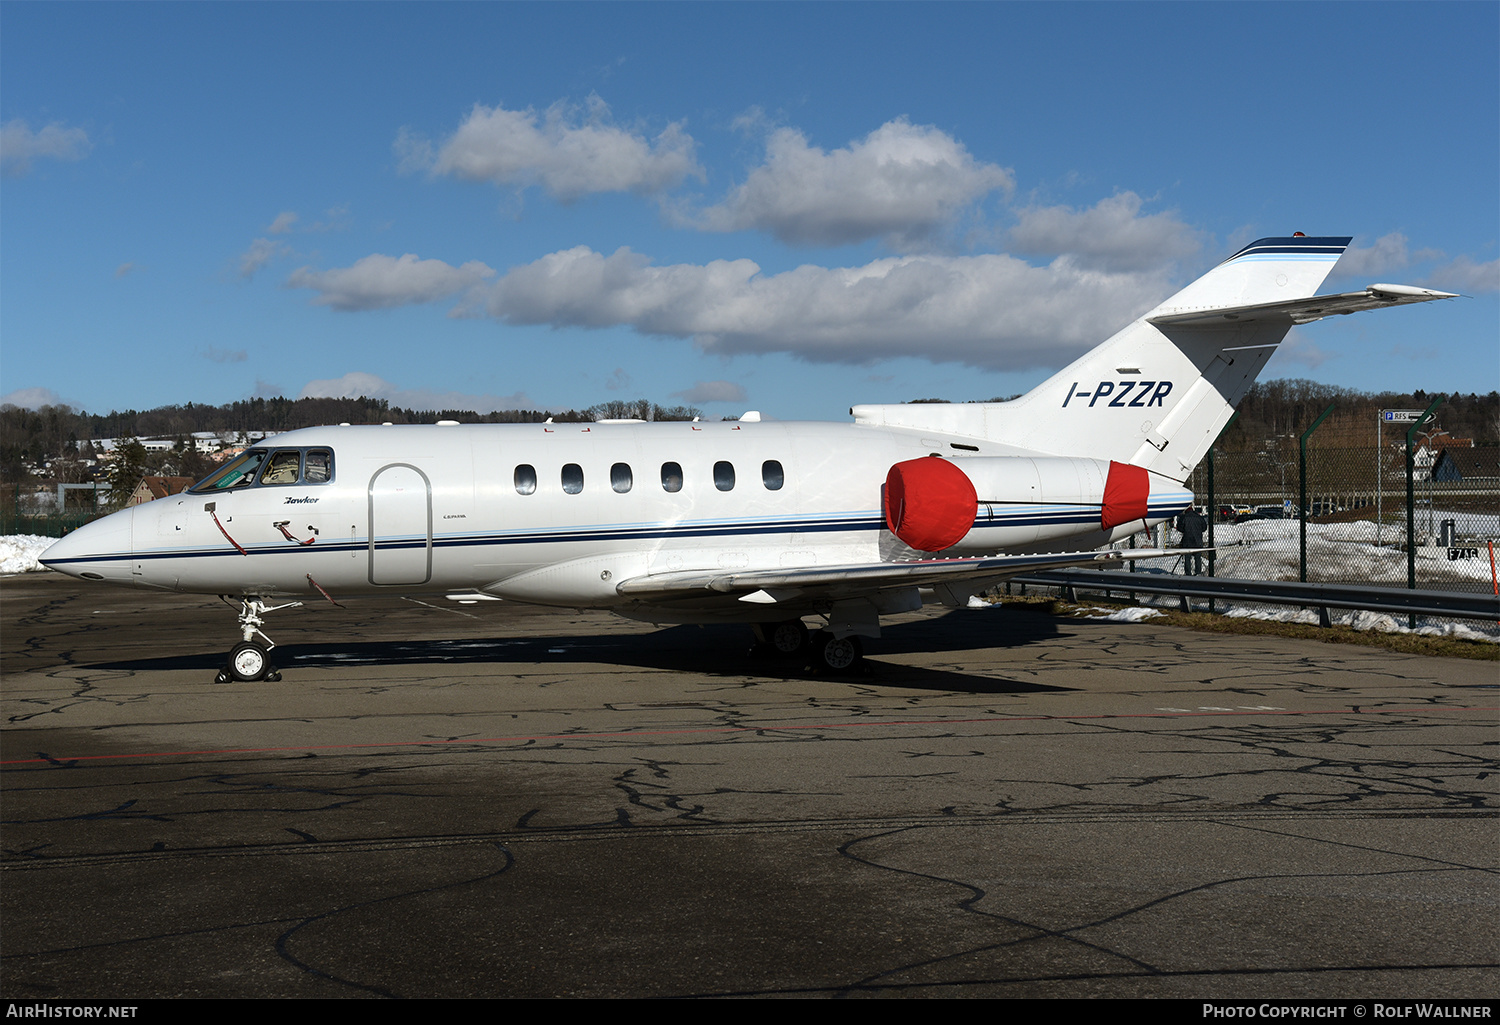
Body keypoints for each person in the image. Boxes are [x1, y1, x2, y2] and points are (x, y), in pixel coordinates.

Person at [1176, 506, 1208, 575]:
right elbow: (1204, 527)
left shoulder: (1184, 517)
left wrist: (1185, 530)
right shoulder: (1198, 517)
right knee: (1198, 558)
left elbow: (1179, 527)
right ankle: (1198, 572)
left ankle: (1188, 573)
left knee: (1187, 558)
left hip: (1187, 541)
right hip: (1197, 540)